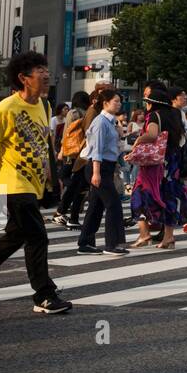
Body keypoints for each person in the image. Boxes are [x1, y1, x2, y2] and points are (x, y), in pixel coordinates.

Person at [0, 51, 71, 315]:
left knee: (14, 237)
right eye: (39, 69)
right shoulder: (6, 108)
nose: (46, 73)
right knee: (37, 237)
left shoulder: (44, 106)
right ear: (24, 78)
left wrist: (52, 179)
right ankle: (43, 295)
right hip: (13, 184)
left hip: (34, 183)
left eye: (46, 68)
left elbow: (45, 144)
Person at [127, 85, 187, 249]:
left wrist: (138, 142)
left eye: (147, 102)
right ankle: (169, 237)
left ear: (153, 103)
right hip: (172, 162)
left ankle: (144, 234)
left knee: (139, 195)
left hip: (155, 164)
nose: (146, 105)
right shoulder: (175, 114)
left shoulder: (154, 116)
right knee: (169, 198)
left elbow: (152, 135)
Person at [75, 88, 127, 255]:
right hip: (98, 167)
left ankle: (85, 243)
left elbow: (113, 148)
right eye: (115, 101)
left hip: (105, 167)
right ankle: (112, 244)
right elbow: (96, 150)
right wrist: (96, 173)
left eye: (119, 101)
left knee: (96, 207)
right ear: (105, 103)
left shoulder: (111, 122)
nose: (119, 104)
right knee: (113, 204)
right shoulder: (100, 122)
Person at [51, 91, 91, 229]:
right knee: (78, 183)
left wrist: (62, 151)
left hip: (72, 152)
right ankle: (72, 215)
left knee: (68, 179)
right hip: (84, 152)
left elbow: (67, 134)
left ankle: (62, 211)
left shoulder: (73, 113)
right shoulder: (89, 113)